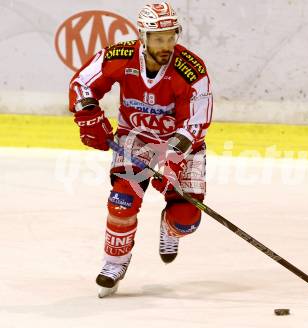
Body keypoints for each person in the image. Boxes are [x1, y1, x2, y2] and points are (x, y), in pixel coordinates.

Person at [68, 2, 213, 297]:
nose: (167, 45)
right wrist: (88, 116)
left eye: (172, 37)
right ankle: (114, 264)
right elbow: (83, 83)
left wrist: (170, 164)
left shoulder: (191, 70)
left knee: (185, 220)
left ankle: (169, 226)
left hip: (183, 147)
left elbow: (196, 124)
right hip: (136, 140)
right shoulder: (120, 56)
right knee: (122, 202)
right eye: (159, 38)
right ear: (143, 36)